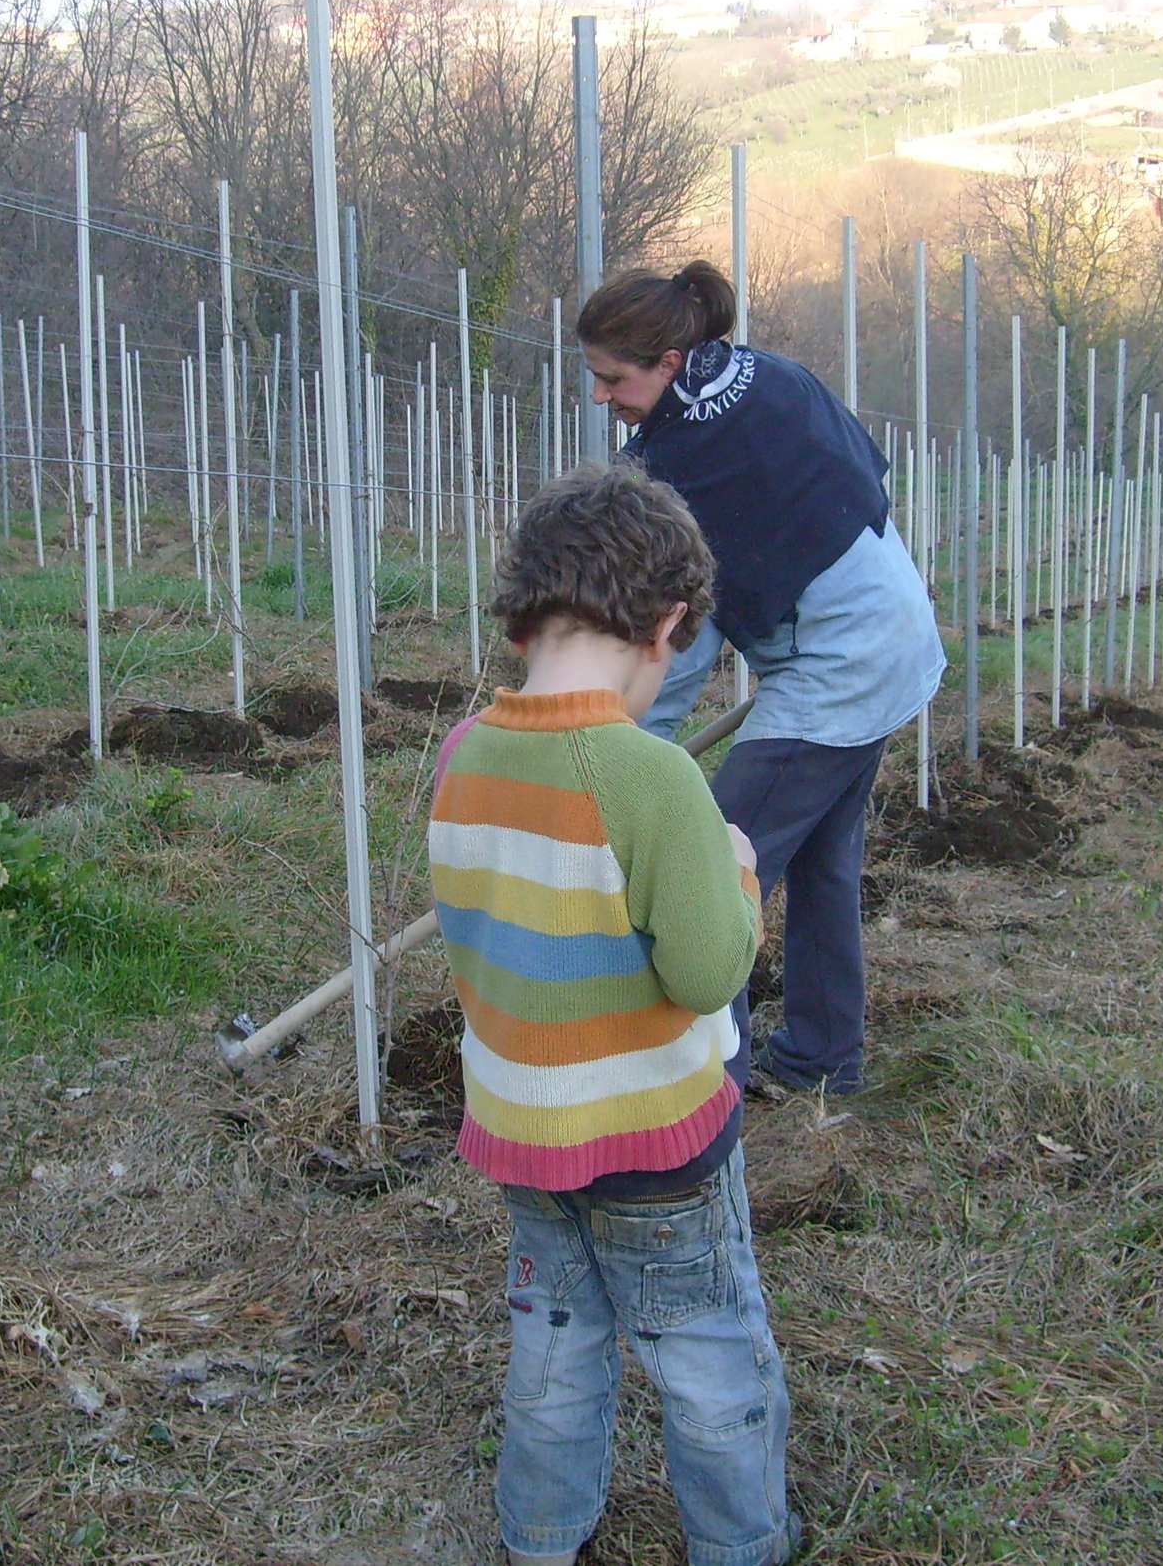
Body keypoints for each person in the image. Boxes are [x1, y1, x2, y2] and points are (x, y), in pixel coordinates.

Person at [429, 461, 798, 1566]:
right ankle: (741, 1542)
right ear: (668, 625)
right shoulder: (650, 777)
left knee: (553, 1348)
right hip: (654, 1145)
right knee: (707, 1358)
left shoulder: (463, 754)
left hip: (524, 1134)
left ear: (523, 615)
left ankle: (540, 1537)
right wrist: (737, 872)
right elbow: (705, 970)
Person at [578, 260, 942, 1098]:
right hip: (893, 624)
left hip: (841, 666)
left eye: (613, 378)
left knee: (710, 876)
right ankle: (821, 1057)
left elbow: (681, 643)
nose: (600, 395)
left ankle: (703, 1085)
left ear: (668, 362)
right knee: (823, 861)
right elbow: (866, 477)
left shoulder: (683, 468)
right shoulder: (765, 374)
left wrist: (616, 756)